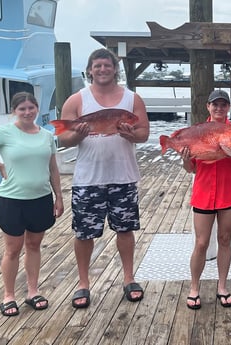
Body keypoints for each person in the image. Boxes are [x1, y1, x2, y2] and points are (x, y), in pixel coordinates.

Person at [58, 48, 150, 309]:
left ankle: (129, 278)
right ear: (89, 70)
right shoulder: (77, 100)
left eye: (107, 66)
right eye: (97, 66)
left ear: (115, 69)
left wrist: (129, 134)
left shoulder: (132, 99)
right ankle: (83, 284)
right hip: (88, 178)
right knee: (84, 233)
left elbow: (143, 133)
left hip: (124, 176)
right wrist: (79, 134)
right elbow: (63, 138)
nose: (102, 70)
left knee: (125, 229)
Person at [0, 92, 64, 316]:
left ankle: (33, 291)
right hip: (12, 200)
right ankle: (9, 295)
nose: (27, 112)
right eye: (22, 109)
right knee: (13, 249)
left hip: (41, 198)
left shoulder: (47, 136)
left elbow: (53, 168)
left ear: (37, 108)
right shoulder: (5, 133)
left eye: (31, 108)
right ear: (14, 112)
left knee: (34, 245)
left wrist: (59, 195)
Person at [181, 90, 231, 309]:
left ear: (228, 107)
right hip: (204, 192)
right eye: (215, 105)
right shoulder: (199, 131)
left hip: (230, 191)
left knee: (225, 238)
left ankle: (222, 286)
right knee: (201, 242)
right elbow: (191, 169)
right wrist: (185, 159)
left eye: (223, 105)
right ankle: (194, 287)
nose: (219, 108)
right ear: (208, 107)